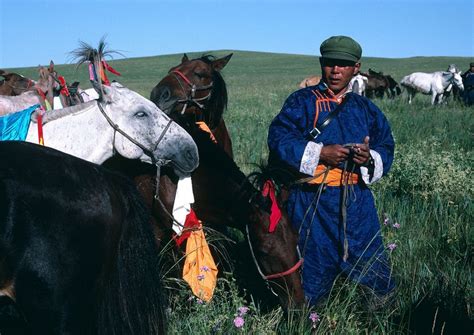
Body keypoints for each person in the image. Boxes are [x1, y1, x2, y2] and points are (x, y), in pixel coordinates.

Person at [267, 35, 396, 307]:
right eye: (330, 64)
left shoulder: (366, 109)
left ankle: (381, 317)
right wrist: (321, 152)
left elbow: (386, 145)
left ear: (356, 68)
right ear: (322, 64)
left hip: (356, 199)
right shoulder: (301, 101)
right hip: (311, 199)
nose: (336, 71)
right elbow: (279, 139)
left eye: (344, 65)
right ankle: (312, 318)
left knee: (369, 258)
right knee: (313, 262)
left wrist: (368, 157)